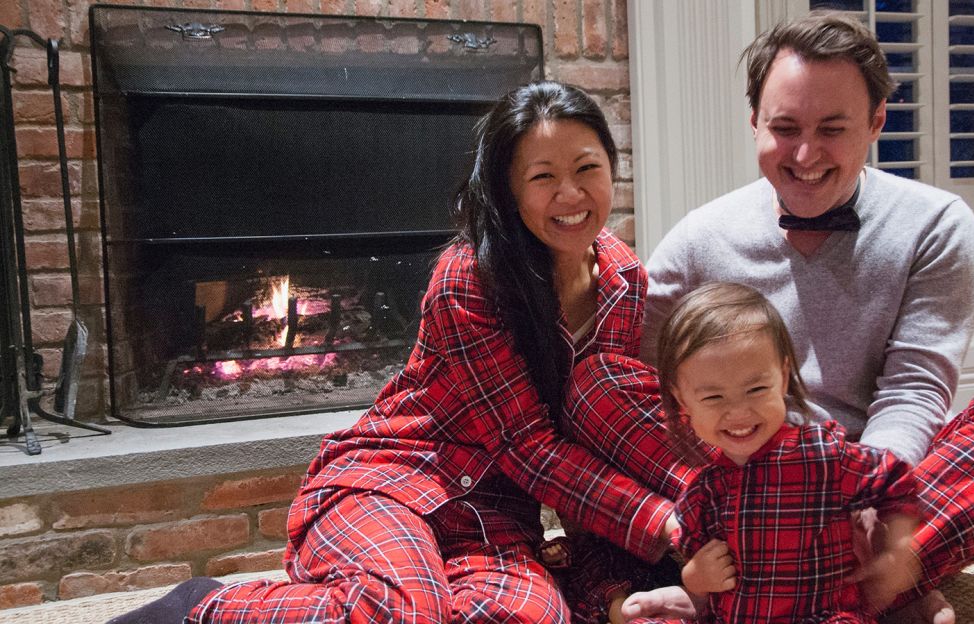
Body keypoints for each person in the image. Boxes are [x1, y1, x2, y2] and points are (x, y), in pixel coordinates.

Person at [106, 81, 693, 624]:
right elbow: (528, 446)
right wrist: (665, 523)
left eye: (587, 167)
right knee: (399, 610)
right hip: (395, 481)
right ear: (509, 191)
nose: (571, 193)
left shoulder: (624, 282)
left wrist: (609, 588)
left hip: (493, 520)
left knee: (529, 616)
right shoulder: (471, 279)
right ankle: (205, 606)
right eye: (543, 177)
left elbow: (594, 437)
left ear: (612, 169)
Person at [631, 10, 974, 623]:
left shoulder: (936, 223)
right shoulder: (698, 239)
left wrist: (871, 509)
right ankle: (876, 589)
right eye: (784, 128)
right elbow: (643, 391)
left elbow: (915, 389)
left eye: (833, 128)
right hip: (745, 498)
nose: (806, 154)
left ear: (876, 121)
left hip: (866, 484)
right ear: (753, 121)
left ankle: (819, 585)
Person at [621, 282, 922, 623]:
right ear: (681, 400)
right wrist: (695, 578)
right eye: (713, 397)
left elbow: (894, 476)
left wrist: (897, 545)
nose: (738, 412)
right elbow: (700, 579)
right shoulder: (703, 493)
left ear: (782, 377)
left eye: (756, 389)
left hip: (825, 615)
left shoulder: (821, 455)